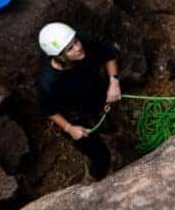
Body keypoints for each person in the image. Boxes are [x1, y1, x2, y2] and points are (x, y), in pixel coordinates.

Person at [37, 22, 122, 181]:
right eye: (70, 48)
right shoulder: (49, 82)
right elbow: (49, 110)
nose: (77, 47)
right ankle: (95, 178)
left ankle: (108, 128)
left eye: (75, 41)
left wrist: (114, 81)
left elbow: (108, 55)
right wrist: (69, 128)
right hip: (74, 117)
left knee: (107, 121)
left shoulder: (83, 43)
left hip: (97, 96)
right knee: (100, 156)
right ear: (59, 56)